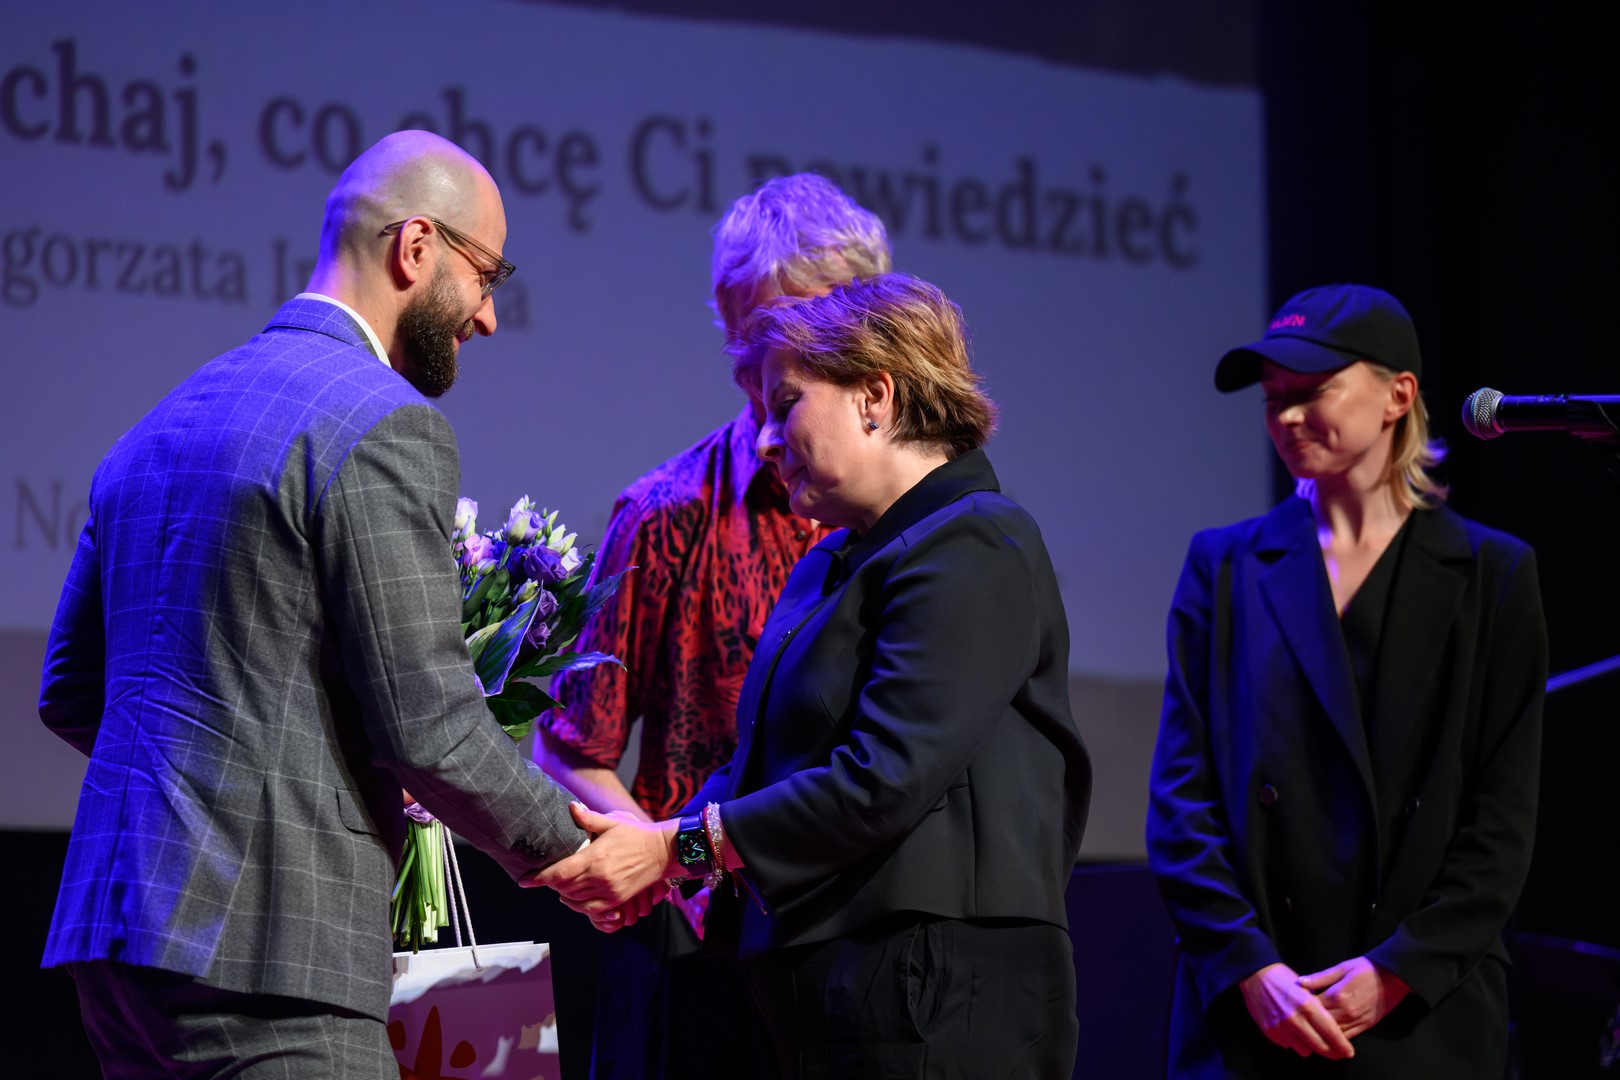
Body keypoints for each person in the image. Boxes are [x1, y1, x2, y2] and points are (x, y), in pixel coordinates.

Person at [38, 130, 589, 1078]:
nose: (490, 316)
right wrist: (570, 846)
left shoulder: (154, 428)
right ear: (416, 247)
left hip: (118, 949)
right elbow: (431, 727)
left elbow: (72, 692)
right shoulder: (384, 422)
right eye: (487, 275)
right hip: (272, 958)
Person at [534, 273, 1093, 1078]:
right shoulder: (833, 562)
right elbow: (755, 767)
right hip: (825, 992)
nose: (764, 440)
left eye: (785, 404)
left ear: (874, 397)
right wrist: (643, 847)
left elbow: (883, 778)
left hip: (938, 993)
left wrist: (674, 848)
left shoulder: (975, 541)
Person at [532, 173, 890, 1078]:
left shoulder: (911, 529)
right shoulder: (666, 512)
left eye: (810, 332)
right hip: (694, 960)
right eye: (756, 339)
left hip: (861, 957)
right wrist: (666, 861)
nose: (778, 364)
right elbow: (569, 747)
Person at [1146, 284, 1546, 1077]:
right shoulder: (1223, 566)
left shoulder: (1492, 574)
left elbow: (1501, 823)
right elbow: (1180, 802)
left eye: (1312, 391)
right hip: (1256, 1015)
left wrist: (1397, 971)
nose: (1288, 417)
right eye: (1274, 399)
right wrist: (1250, 968)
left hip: (1423, 1017)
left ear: (1398, 396)